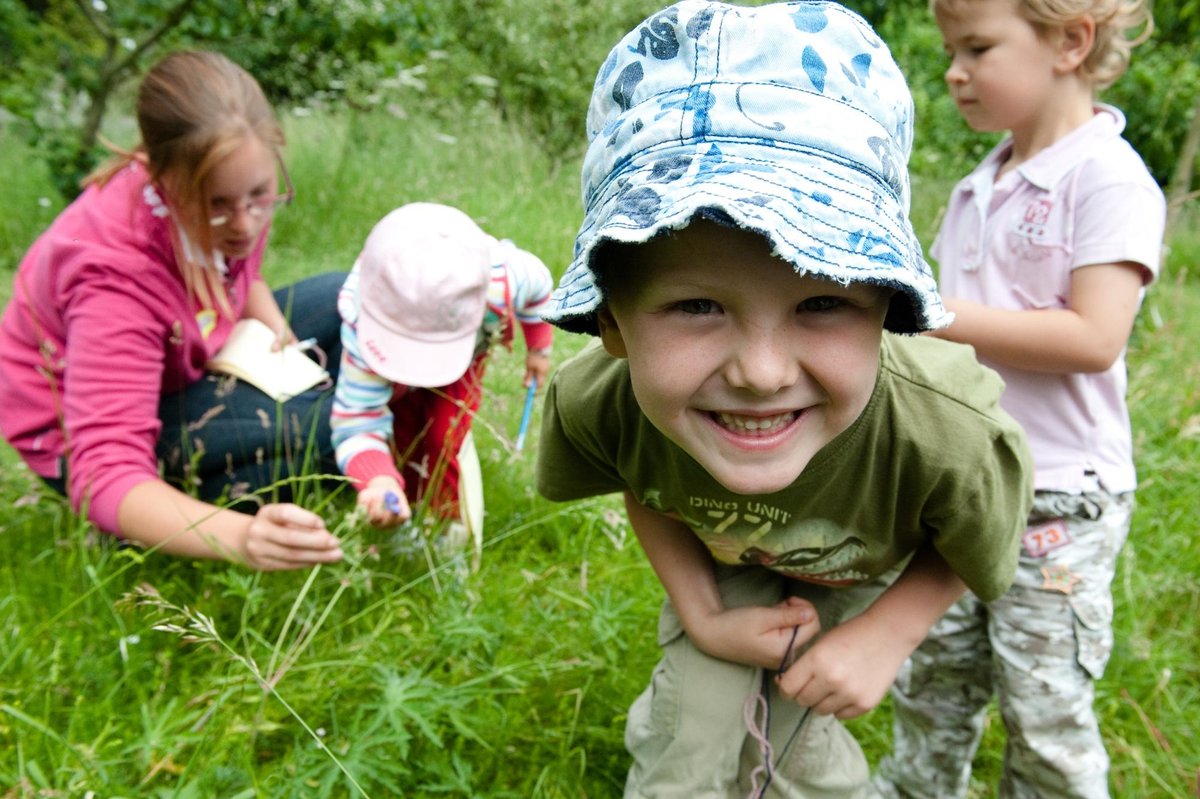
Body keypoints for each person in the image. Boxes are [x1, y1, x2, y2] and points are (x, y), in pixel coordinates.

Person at [534, 2, 1034, 796]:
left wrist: (885, 634)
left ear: (886, 308)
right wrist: (701, 612)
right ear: (610, 320)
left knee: (803, 747)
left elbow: (972, 540)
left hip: (858, 562)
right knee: (691, 730)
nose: (762, 373)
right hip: (723, 560)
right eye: (697, 306)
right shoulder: (602, 402)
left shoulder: (949, 433)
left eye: (822, 303)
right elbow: (643, 478)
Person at [873, 1, 1165, 797]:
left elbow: (1095, 336)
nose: (953, 72)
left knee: (1044, 709)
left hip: (1056, 499)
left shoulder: (1105, 176)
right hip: (961, 486)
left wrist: (930, 313)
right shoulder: (977, 185)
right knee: (932, 685)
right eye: (949, 50)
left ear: (1069, 42)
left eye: (977, 48)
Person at [0, 51, 347, 571]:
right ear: (164, 178)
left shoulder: (227, 189)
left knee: (356, 303)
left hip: (183, 357)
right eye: (218, 206)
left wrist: (271, 324)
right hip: (92, 426)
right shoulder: (113, 278)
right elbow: (103, 472)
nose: (247, 225)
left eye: (260, 195)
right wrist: (243, 538)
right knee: (339, 425)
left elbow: (235, 270)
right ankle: (159, 520)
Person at [331, 202, 554, 534]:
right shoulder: (364, 328)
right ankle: (405, 507)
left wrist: (539, 348)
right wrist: (377, 480)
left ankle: (447, 519)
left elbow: (540, 289)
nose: (419, 367)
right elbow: (356, 421)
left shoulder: (500, 280)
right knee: (403, 434)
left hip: (463, 358)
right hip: (387, 370)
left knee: (443, 435)